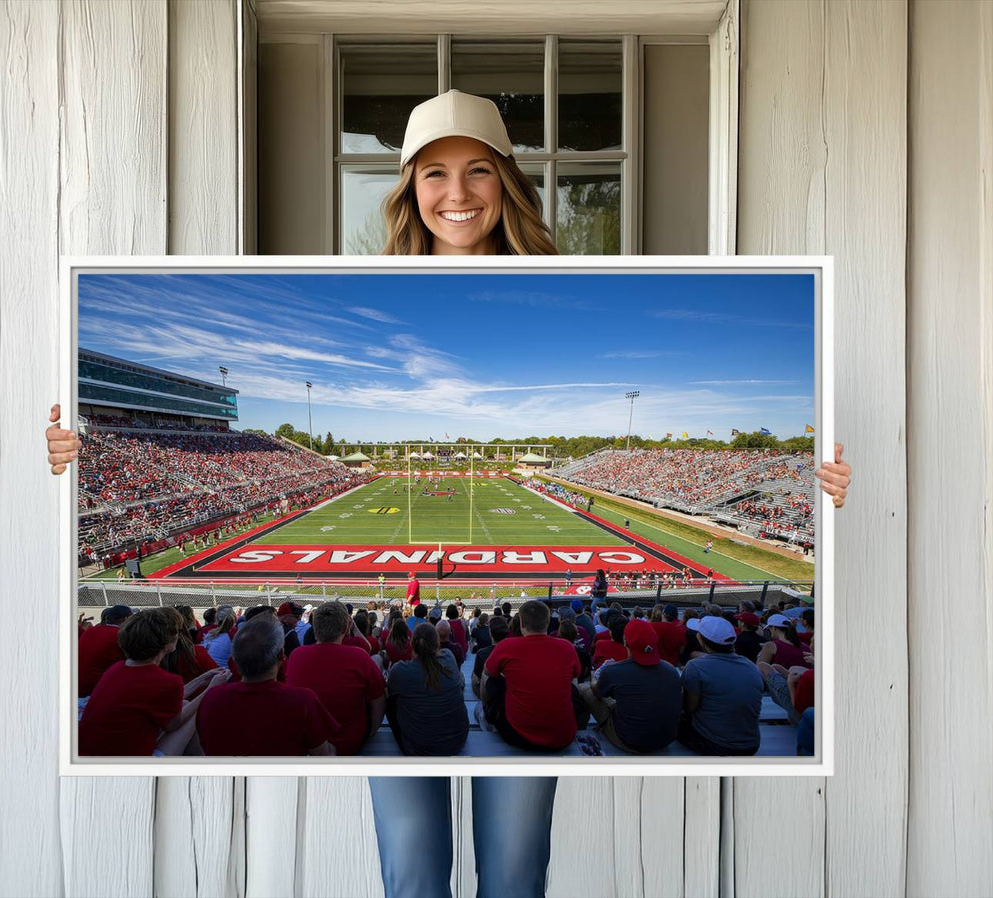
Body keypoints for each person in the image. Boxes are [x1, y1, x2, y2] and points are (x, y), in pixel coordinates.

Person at [45, 88, 852, 898]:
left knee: (513, 866)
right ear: (407, 189)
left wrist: (826, 487)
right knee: (413, 868)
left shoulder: (571, 280)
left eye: (477, 171)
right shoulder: (362, 279)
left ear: (507, 180)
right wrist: (68, 460)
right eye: (433, 173)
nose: (457, 193)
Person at [79, 607, 230, 756]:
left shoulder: (117, 669)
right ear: (167, 643)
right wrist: (210, 689)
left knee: (184, 704)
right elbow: (173, 724)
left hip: (94, 749)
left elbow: (162, 697)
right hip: (127, 757)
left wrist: (203, 679)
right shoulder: (166, 680)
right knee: (196, 712)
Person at [197, 616, 337, 756]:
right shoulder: (302, 701)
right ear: (282, 655)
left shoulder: (212, 699)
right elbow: (322, 757)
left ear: (234, 659)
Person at [284, 601, 387, 756]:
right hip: (349, 744)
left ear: (315, 627)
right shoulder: (359, 656)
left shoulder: (296, 656)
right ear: (345, 629)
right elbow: (379, 698)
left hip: (307, 747)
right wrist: (371, 731)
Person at [482, 600, 581, 751]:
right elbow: (576, 677)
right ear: (548, 622)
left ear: (521, 623)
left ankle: (487, 715)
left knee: (490, 679)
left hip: (517, 736)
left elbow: (488, 672)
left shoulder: (506, 646)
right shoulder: (567, 647)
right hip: (563, 737)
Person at [577, 619, 682, 753]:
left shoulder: (614, 671)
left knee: (582, 688)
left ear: (625, 641)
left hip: (629, 741)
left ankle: (580, 732)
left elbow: (597, 693)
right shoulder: (671, 670)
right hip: (666, 740)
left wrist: (593, 678)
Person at [678, 616, 764, 756]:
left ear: (701, 639)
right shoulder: (750, 666)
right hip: (751, 745)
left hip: (716, 745)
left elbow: (689, 708)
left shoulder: (696, 666)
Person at [386, 622, 469, 755]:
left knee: (390, 700)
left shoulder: (400, 670)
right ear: (437, 644)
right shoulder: (448, 657)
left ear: (412, 644)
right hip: (457, 741)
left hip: (418, 749)